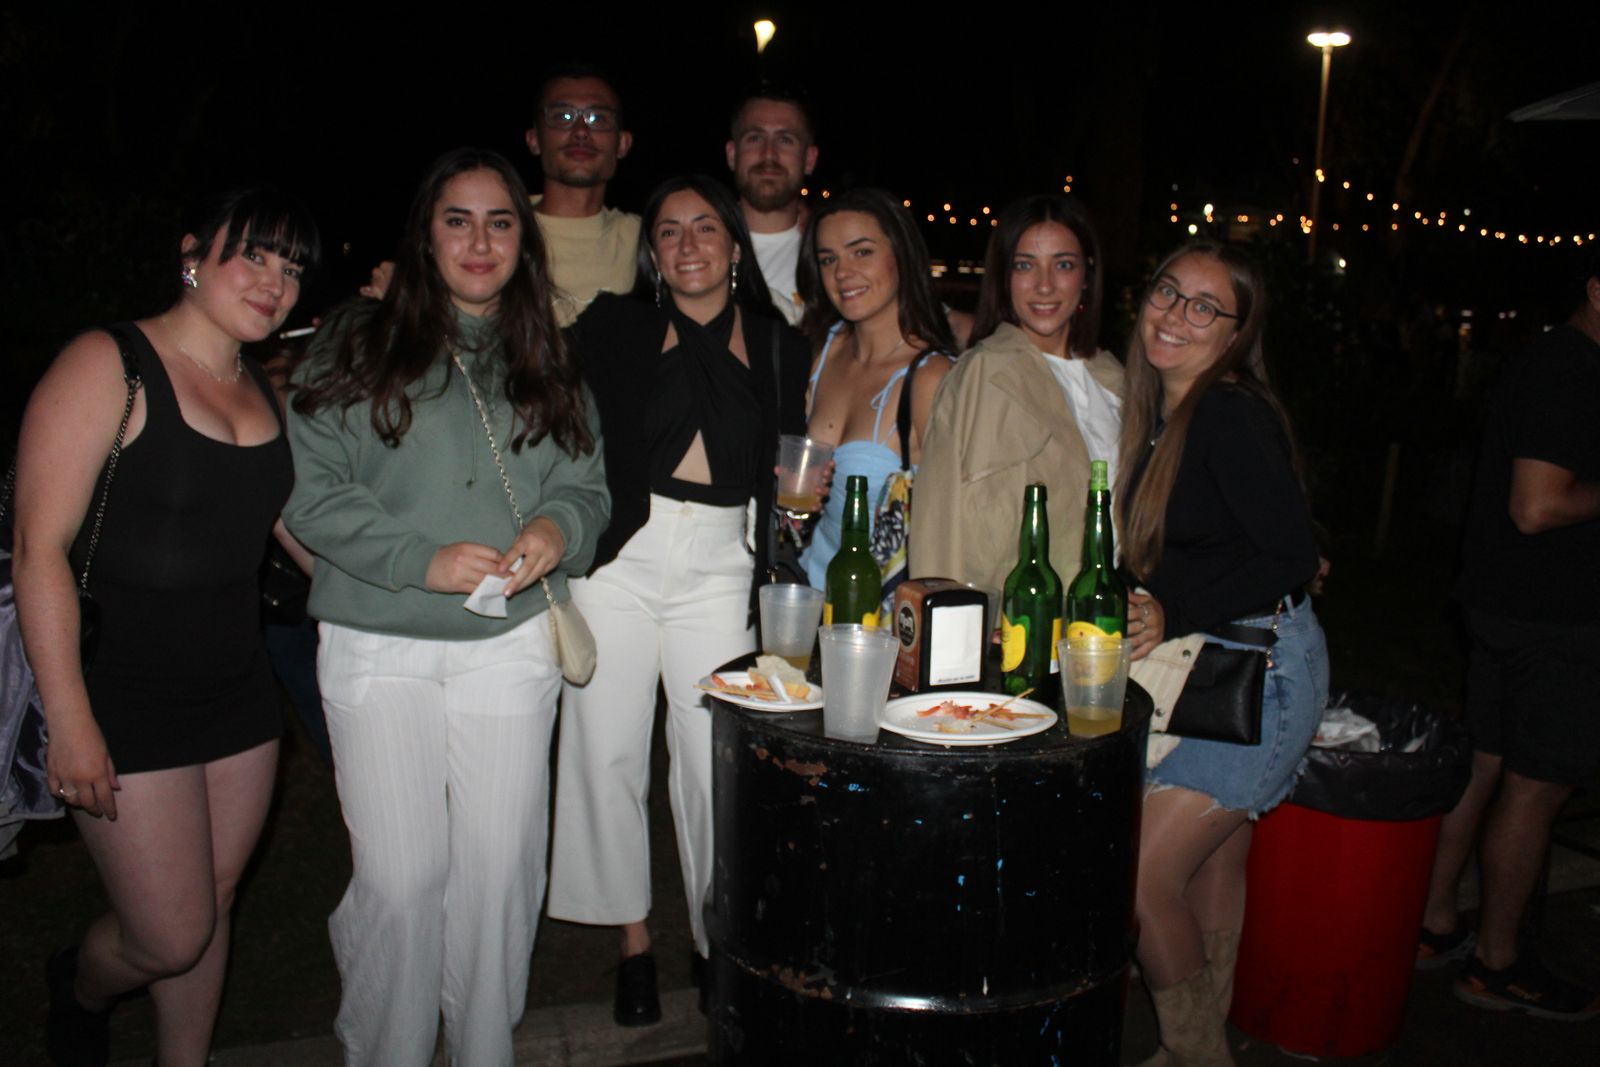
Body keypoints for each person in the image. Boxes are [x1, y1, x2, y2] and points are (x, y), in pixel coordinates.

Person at [285, 148, 608, 1067]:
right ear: (425, 235)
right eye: (457, 220)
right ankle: (385, 1049)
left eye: (500, 221)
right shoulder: (357, 337)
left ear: (524, 241)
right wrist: (418, 560)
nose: (479, 240)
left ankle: (480, 1047)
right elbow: (311, 489)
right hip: (377, 640)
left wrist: (554, 525)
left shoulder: (547, 351)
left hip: (509, 639)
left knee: (500, 873)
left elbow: (587, 486)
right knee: (401, 878)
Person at [14, 188, 319, 1067]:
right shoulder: (108, 363)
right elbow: (39, 548)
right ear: (193, 254)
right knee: (169, 931)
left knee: (211, 906)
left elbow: (296, 535)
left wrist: (417, 586)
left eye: (292, 268)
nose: (273, 283)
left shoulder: (259, 385)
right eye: (252, 254)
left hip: (237, 693)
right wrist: (70, 720)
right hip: (122, 693)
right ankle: (80, 983)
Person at [547, 174, 810, 1026]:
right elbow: (521, 365)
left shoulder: (779, 343)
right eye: (669, 230)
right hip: (624, 558)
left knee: (711, 761)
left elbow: (802, 452)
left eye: (705, 227)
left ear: (735, 246)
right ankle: (632, 943)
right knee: (606, 751)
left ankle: (712, 938)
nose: (688, 243)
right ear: (651, 251)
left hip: (722, 566)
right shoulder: (613, 326)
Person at [1117, 243, 1326, 1066]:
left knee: (1141, 878)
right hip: (1216, 659)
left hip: (1259, 669)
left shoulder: (1225, 414)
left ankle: (1199, 1052)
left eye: (1204, 306)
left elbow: (1291, 554)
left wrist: (1174, 607)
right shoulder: (1169, 412)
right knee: (1208, 869)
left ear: (1236, 334)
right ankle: (1194, 1045)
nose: (1176, 314)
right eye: (1168, 291)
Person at [1419, 250, 1600, 1021]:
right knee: (1537, 784)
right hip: (1552, 616)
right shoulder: (1573, 369)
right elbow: (1538, 504)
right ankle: (1497, 961)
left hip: (1506, 603)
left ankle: (1433, 922)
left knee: (1485, 762)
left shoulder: (1556, 359)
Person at [911, 193, 1123, 597]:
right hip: (1010, 621)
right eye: (1025, 265)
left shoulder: (1115, 380)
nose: (1044, 285)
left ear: (1087, 275)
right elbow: (937, 523)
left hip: (1104, 616)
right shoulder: (982, 374)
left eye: (1063, 264)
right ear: (1004, 277)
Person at [361, 64, 638, 327]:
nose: (580, 132)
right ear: (534, 139)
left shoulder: (646, 238)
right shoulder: (493, 229)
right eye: (562, 117)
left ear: (623, 143)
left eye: (598, 118)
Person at [795, 188, 954, 592]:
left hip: (881, 614)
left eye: (861, 252)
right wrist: (795, 507)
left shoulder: (931, 378)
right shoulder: (822, 351)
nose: (842, 273)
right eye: (828, 259)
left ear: (901, 255)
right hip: (809, 596)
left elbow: (954, 527)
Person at [726, 83, 818, 325]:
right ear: (732, 154)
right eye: (755, 138)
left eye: (785, 140)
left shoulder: (830, 255)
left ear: (809, 159)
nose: (768, 154)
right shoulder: (693, 248)